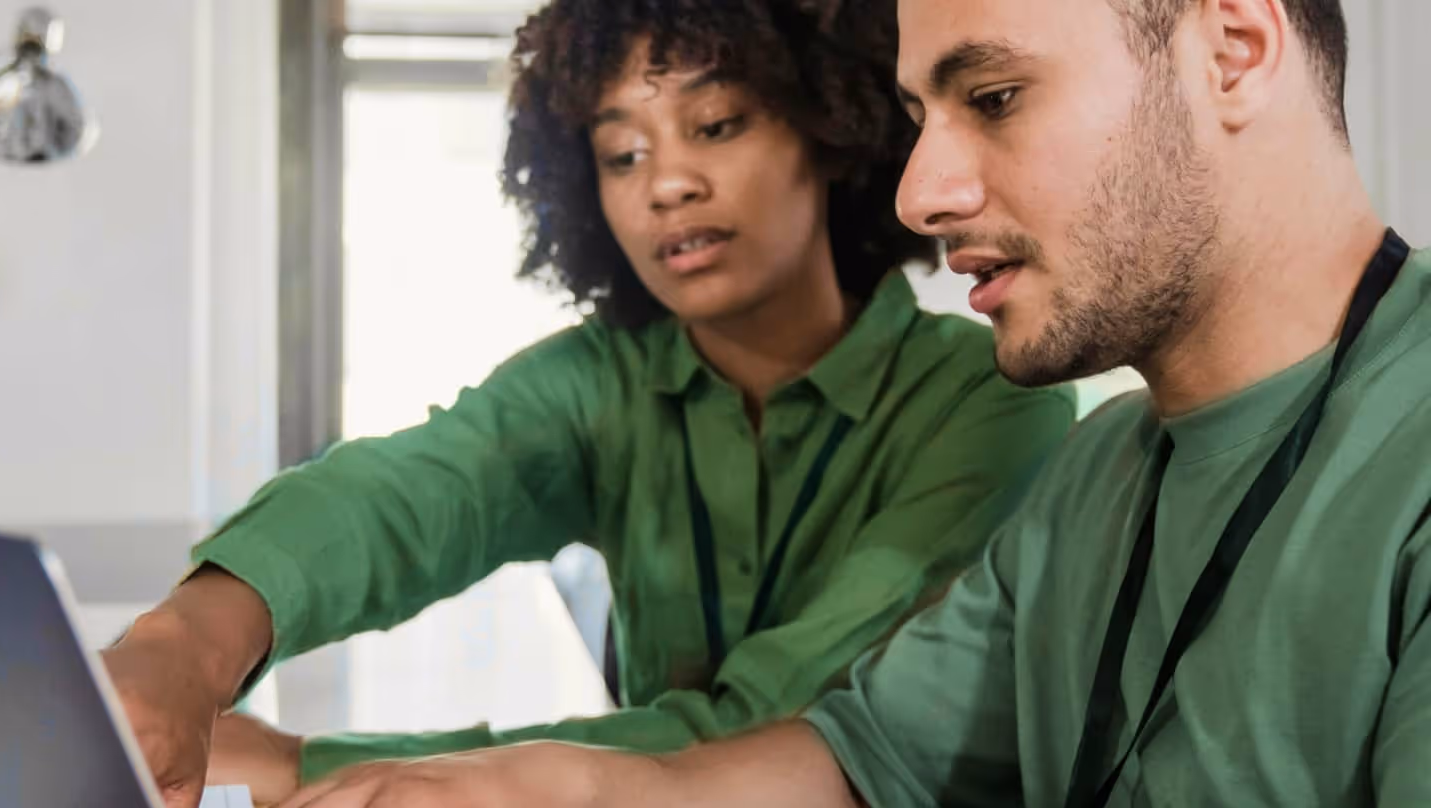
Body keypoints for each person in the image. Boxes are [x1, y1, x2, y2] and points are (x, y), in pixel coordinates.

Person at [247, 0, 1431, 805]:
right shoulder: (1099, 473)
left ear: (1231, 49)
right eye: (921, 120)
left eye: (998, 95)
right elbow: (855, 760)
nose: (923, 190)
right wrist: (572, 785)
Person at [101, 0, 1076, 806]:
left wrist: (301, 766)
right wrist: (182, 644)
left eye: (717, 124)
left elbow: (792, 725)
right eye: (621, 154)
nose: (667, 184)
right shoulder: (601, 380)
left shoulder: (990, 401)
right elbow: (408, 494)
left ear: (828, 129)